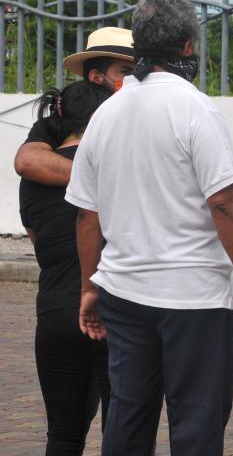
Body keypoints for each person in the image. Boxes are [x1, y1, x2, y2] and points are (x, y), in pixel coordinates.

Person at [65, 0, 233, 456]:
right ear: (188, 46)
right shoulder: (196, 109)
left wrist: (88, 286)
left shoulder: (106, 115)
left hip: (124, 292)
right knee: (197, 420)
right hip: (193, 298)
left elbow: (87, 213)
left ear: (138, 47)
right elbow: (225, 203)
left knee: (128, 417)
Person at [19, 81, 113, 455]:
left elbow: (36, 236)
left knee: (63, 433)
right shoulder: (115, 168)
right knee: (124, 429)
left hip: (56, 310)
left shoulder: (34, 175)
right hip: (112, 307)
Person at [14, 27, 135, 187]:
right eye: (126, 72)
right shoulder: (64, 117)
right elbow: (27, 162)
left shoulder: (146, 115)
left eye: (138, 72)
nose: (134, 79)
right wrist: (108, 182)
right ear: (96, 77)